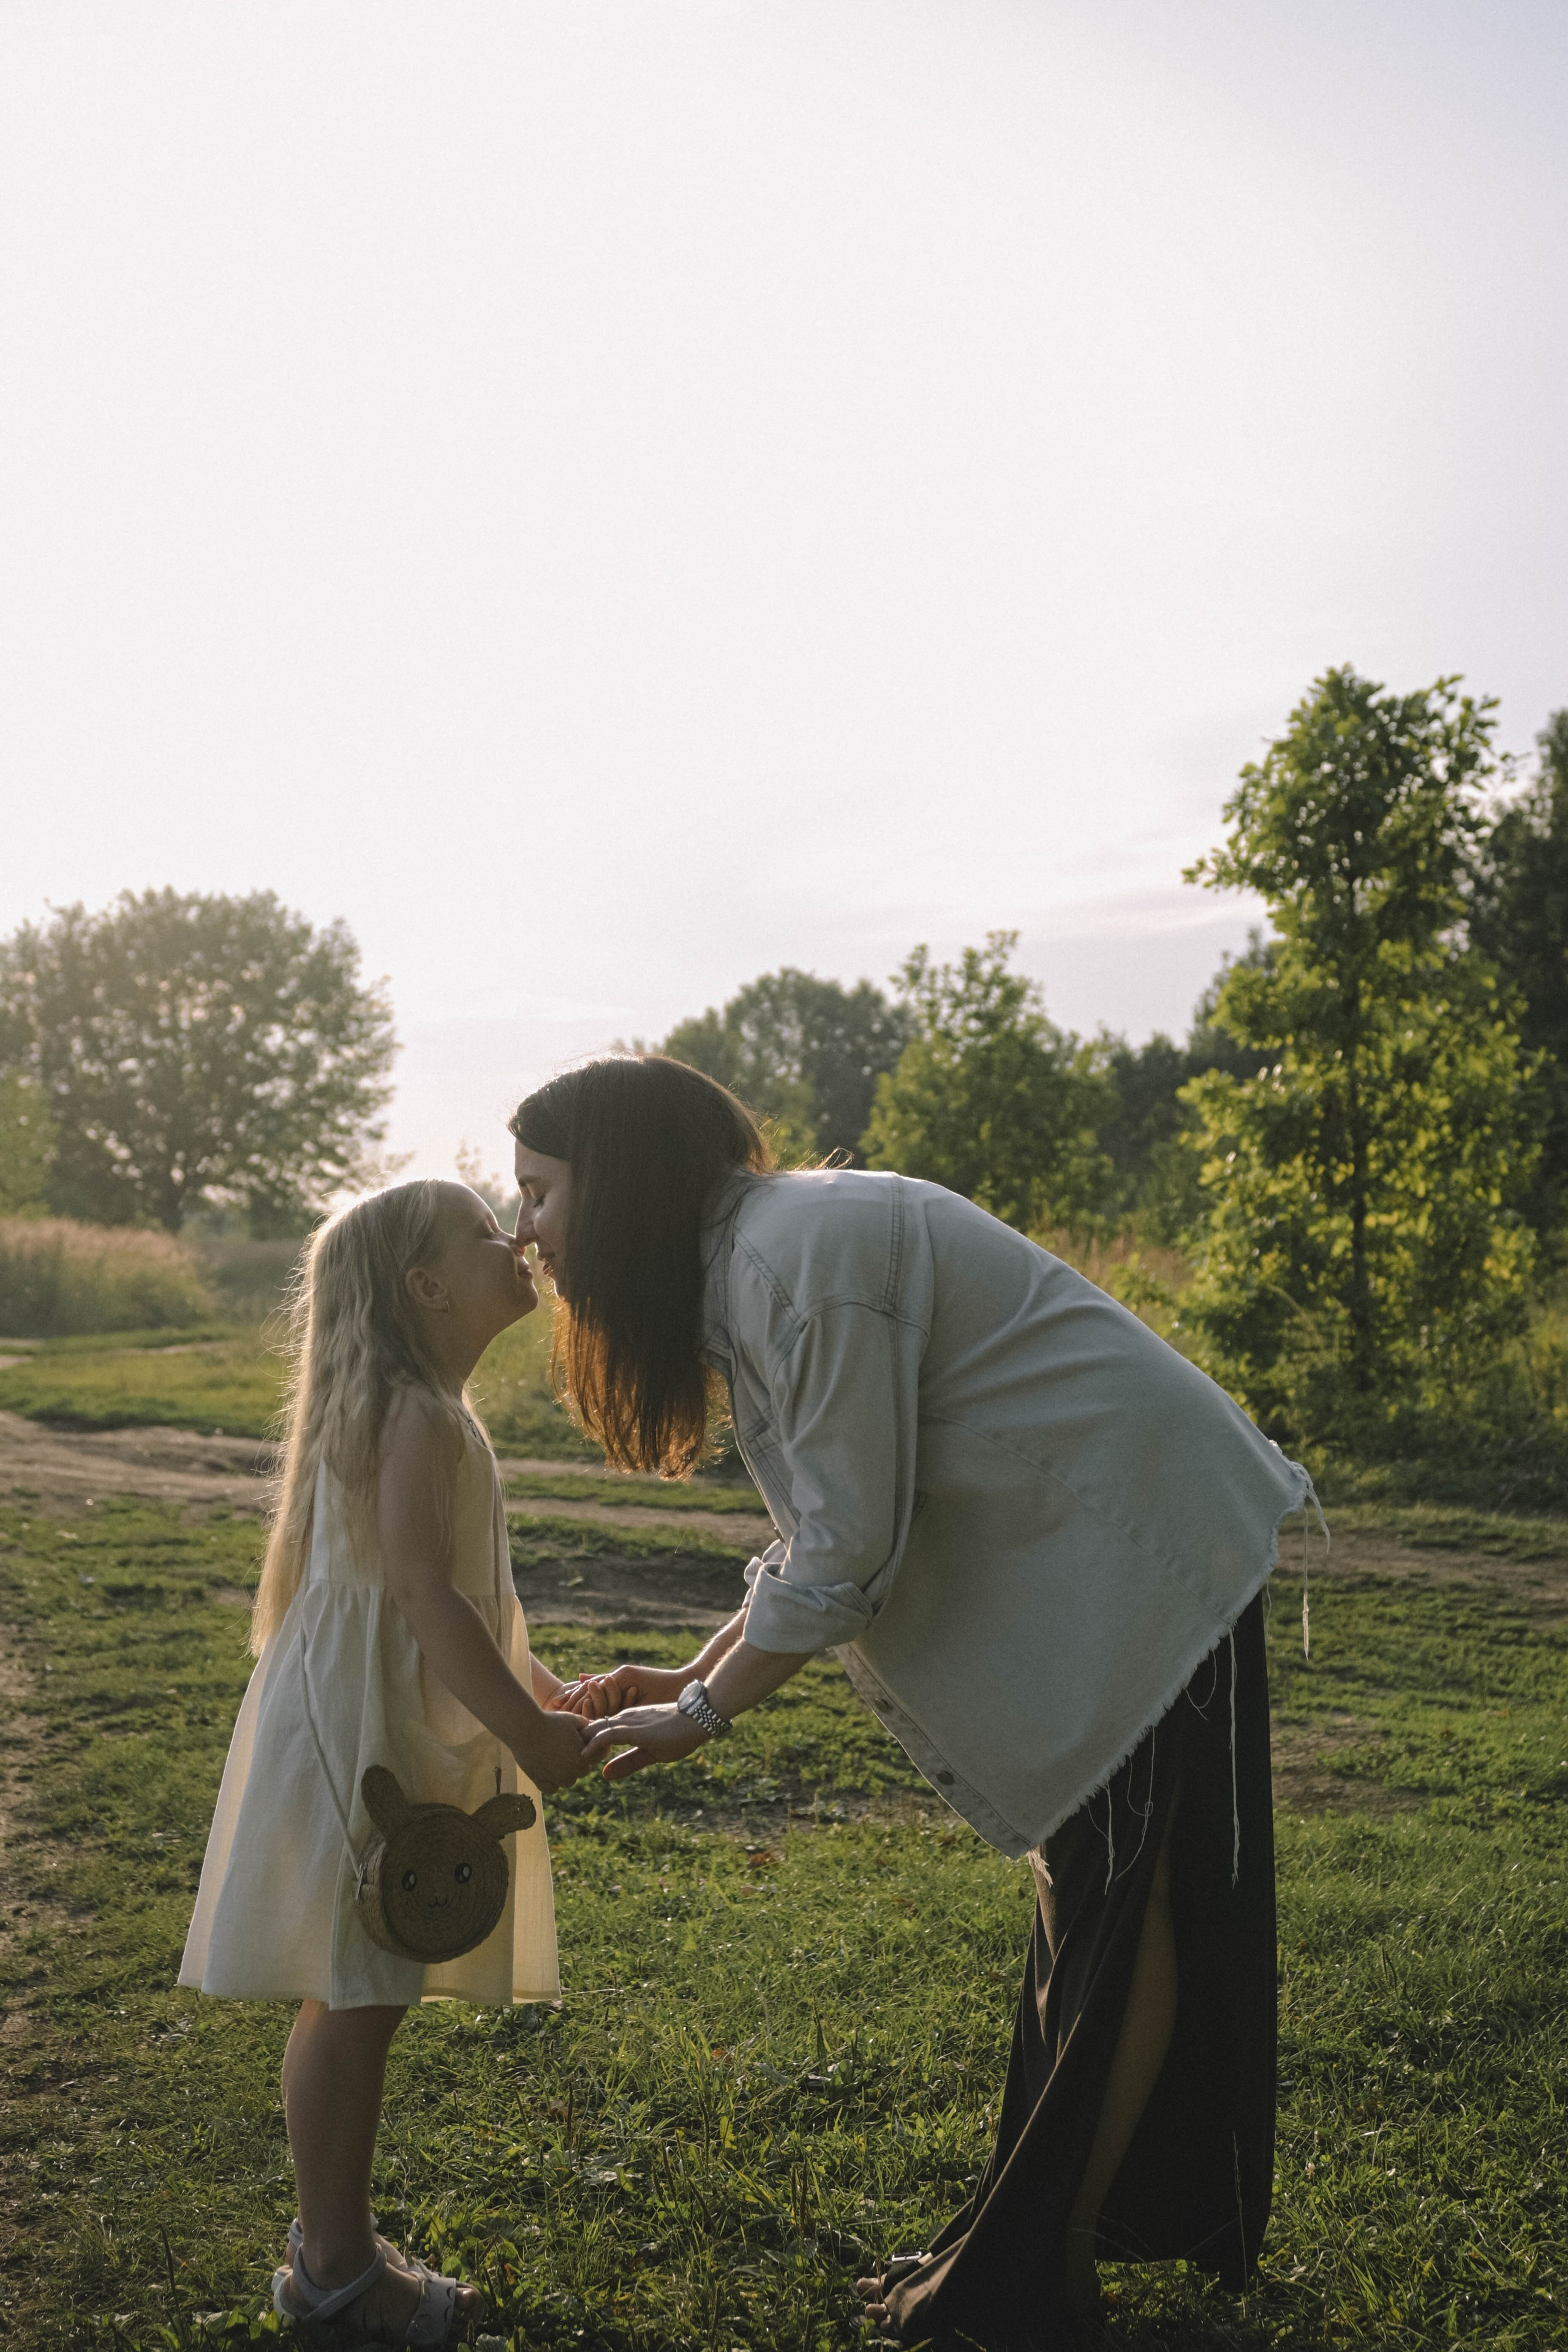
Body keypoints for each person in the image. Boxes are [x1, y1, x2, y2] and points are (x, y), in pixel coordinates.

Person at [514, 1055, 1316, 2352]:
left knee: (1123, 1899)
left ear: (614, 1180)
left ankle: (1028, 2278)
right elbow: (821, 1528)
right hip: (1101, 1552)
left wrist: (706, 1714)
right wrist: (694, 1669)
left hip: (1148, 1552)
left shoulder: (797, 1259)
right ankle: (1021, 2242)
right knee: (1089, 1890)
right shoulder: (764, 1258)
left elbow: (845, 1558)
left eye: (540, 1194)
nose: (526, 1231)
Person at [179, 1180, 594, 2345]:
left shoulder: (422, 1407)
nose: (514, 1238)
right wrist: (528, 1733)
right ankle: (340, 2280)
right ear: (424, 1289)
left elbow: (460, 1597)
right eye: (482, 1231)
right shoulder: (416, 1414)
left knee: (359, 1992)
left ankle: (332, 2255)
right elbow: (418, 1596)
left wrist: (544, 1688)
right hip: (368, 1734)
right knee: (359, 1995)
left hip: (380, 1718)